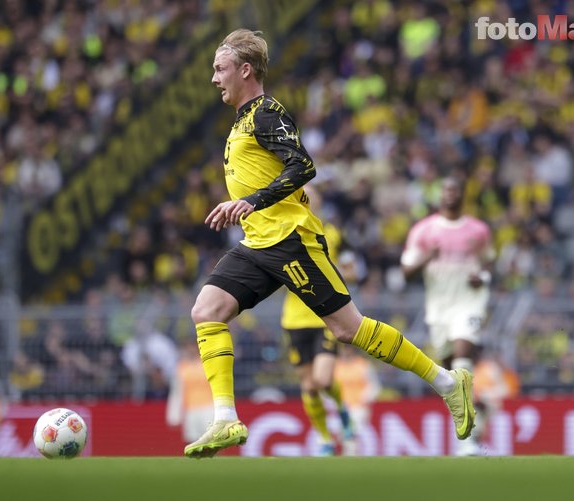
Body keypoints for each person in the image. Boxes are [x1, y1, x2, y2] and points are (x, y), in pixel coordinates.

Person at [184, 29, 475, 459]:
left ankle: (448, 383)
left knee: (347, 329)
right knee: (206, 310)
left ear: (245, 70)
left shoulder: (267, 113)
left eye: (219, 68)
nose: (214, 78)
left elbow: (303, 165)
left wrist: (250, 201)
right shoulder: (242, 121)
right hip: (257, 242)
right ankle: (225, 418)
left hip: (290, 240)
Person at [400, 176, 495, 456]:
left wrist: (483, 277)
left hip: (470, 303)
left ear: (463, 194)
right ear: (438, 195)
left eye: (454, 189)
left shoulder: (478, 230)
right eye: (445, 189)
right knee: (449, 378)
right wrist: (428, 256)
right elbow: (406, 272)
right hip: (438, 310)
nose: (449, 193)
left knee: (463, 357)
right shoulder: (423, 230)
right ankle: (478, 409)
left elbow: (490, 264)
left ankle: (467, 440)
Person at [279, 185, 355, 456]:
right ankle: (325, 439)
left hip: (325, 316)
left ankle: (342, 409)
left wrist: (331, 273)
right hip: (294, 320)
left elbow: (352, 270)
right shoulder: (282, 232)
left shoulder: (333, 234)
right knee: (309, 386)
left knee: (322, 380)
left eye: (312, 197)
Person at [166, 339, 215, 444]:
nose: (191, 350)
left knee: (212, 440)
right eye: (188, 347)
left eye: (193, 347)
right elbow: (177, 392)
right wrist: (174, 415)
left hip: (209, 407)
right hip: (190, 410)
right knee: (193, 441)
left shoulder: (208, 364)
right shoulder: (182, 367)